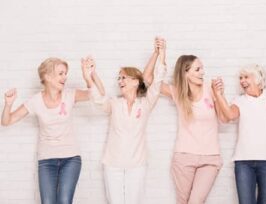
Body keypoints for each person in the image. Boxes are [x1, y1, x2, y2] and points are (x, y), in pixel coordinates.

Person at [144, 38, 226, 204]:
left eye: (202, 68)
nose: (203, 72)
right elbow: (147, 78)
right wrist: (159, 54)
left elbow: (224, 119)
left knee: (195, 201)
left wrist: (220, 95)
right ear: (185, 73)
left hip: (210, 158)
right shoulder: (177, 93)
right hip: (184, 158)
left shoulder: (210, 89)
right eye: (197, 69)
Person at [1, 57, 93, 204]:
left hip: (71, 158)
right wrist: (8, 104)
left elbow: (93, 94)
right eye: (61, 73)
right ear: (47, 77)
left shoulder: (69, 95)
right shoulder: (35, 101)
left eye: (65, 73)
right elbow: (6, 121)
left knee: (64, 201)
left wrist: (87, 77)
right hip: (46, 160)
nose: (65, 77)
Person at [85, 44, 167, 204]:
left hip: (137, 165)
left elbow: (157, 82)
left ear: (136, 82)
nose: (120, 81)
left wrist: (160, 54)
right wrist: (90, 76)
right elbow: (98, 98)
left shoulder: (146, 104)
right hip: (112, 164)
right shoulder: (114, 103)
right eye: (119, 78)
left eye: (123, 77)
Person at [211, 64, 266, 204]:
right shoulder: (239, 101)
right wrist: (218, 94)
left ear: (258, 79)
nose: (242, 80)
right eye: (240, 77)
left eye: (246, 77)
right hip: (244, 162)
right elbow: (228, 116)